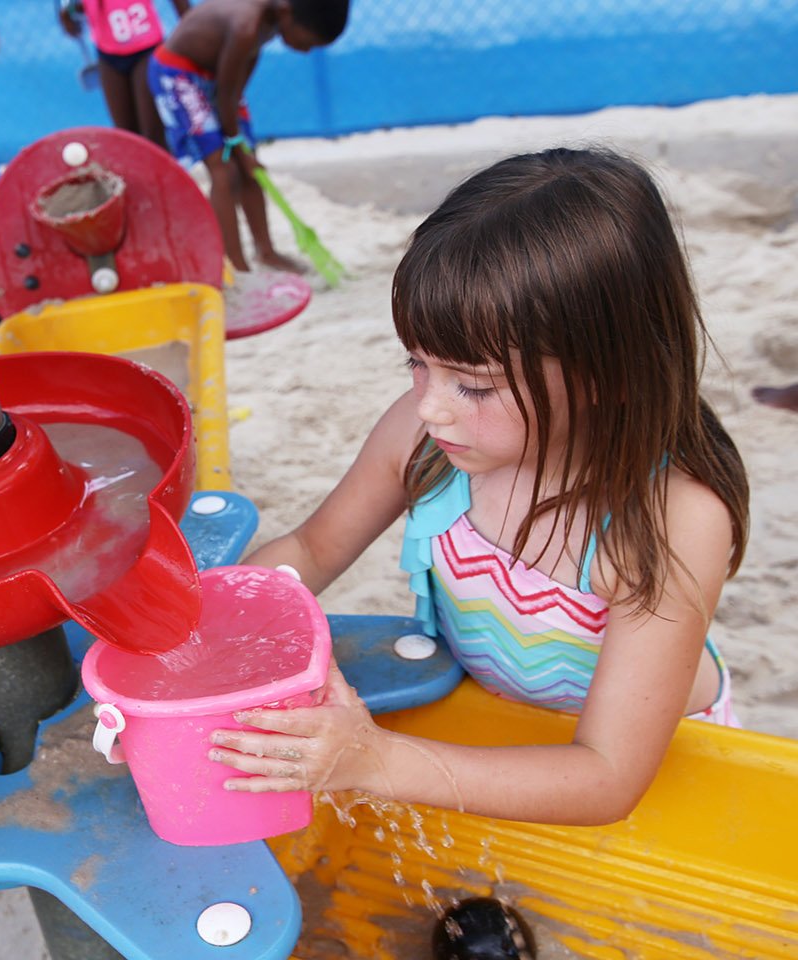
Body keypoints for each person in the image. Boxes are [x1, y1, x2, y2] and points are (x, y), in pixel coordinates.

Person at [209, 148, 751, 827]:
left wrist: (372, 759)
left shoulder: (671, 520)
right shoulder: (425, 436)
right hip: (490, 726)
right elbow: (313, 551)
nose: (432, 407)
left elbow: (607, 777)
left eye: (473, 384)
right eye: (417, 363)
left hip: (651, 762)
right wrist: (206, 634)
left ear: (609, 375)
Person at [147, 0, 349, 273]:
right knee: (224, 168)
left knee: (249, 169)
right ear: (288, 13)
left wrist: (245, 151)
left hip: (219, 80)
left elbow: (235, 83)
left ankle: (266, 252)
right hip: (179, 72)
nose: (306, 51)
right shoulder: (246, 26)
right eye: (308, 42)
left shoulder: (271, 20)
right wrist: (236, 146)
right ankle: (235, 264)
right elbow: (227, 97)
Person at [57, 0, 190, 149]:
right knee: (126, 137)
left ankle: (161, 169)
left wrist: (190, 29)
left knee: (153, 135)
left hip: (146, 49)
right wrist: (71, 12)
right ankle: (138, 171)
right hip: (108, 53)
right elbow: (77, 9)